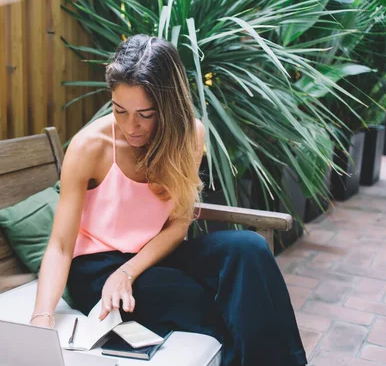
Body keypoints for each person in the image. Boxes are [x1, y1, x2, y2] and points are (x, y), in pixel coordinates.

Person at [29, 34, 307, 366]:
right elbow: (61, 245)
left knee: (250, 248)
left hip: (153, 256)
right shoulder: (90, 147)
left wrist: (129, 271)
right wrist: (41, 320)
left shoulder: (191, 136)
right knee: (220, 302)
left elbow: (177, 226)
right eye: (120, 110)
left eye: (145, 114)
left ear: (169, 106)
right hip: (98, 271)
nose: (131, 126)